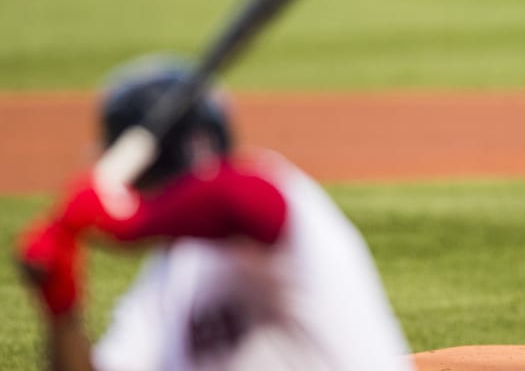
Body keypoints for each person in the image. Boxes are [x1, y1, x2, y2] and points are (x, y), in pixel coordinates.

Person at [15, 56, 415, 371]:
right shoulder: (163, 283)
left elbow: (233, 197)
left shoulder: (277, 203)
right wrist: (61, 311)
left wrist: (130, 219)